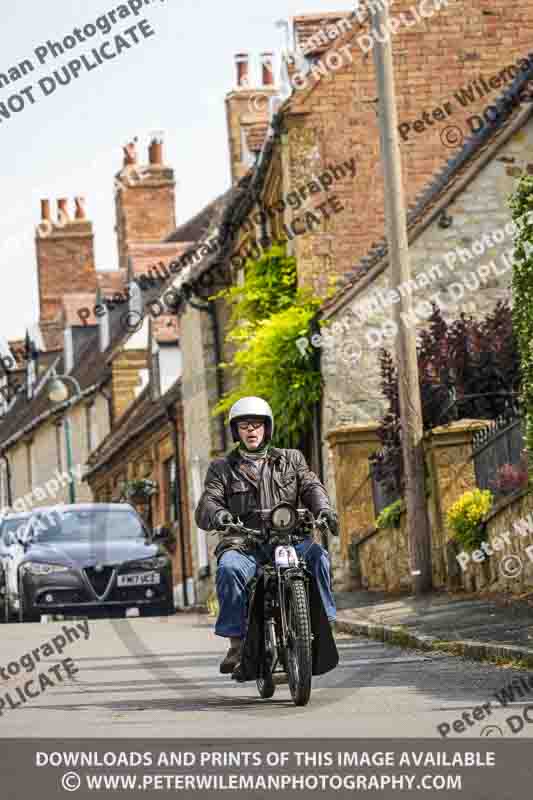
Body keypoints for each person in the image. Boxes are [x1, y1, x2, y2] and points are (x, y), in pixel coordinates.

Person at [195, 396, 339, 674]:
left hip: (289, 538)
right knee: (229, 569)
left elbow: (311, 486)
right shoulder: (222, 468)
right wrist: (218, 514)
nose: (251, 430)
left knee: (318, 557)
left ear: (267, 428)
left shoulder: (291, 459)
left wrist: (324, 509)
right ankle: (237, 643)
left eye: (257, 424)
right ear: (236, 431)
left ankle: (325, 624)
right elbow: (209, 501)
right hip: (245, 543)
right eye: (244, 425)